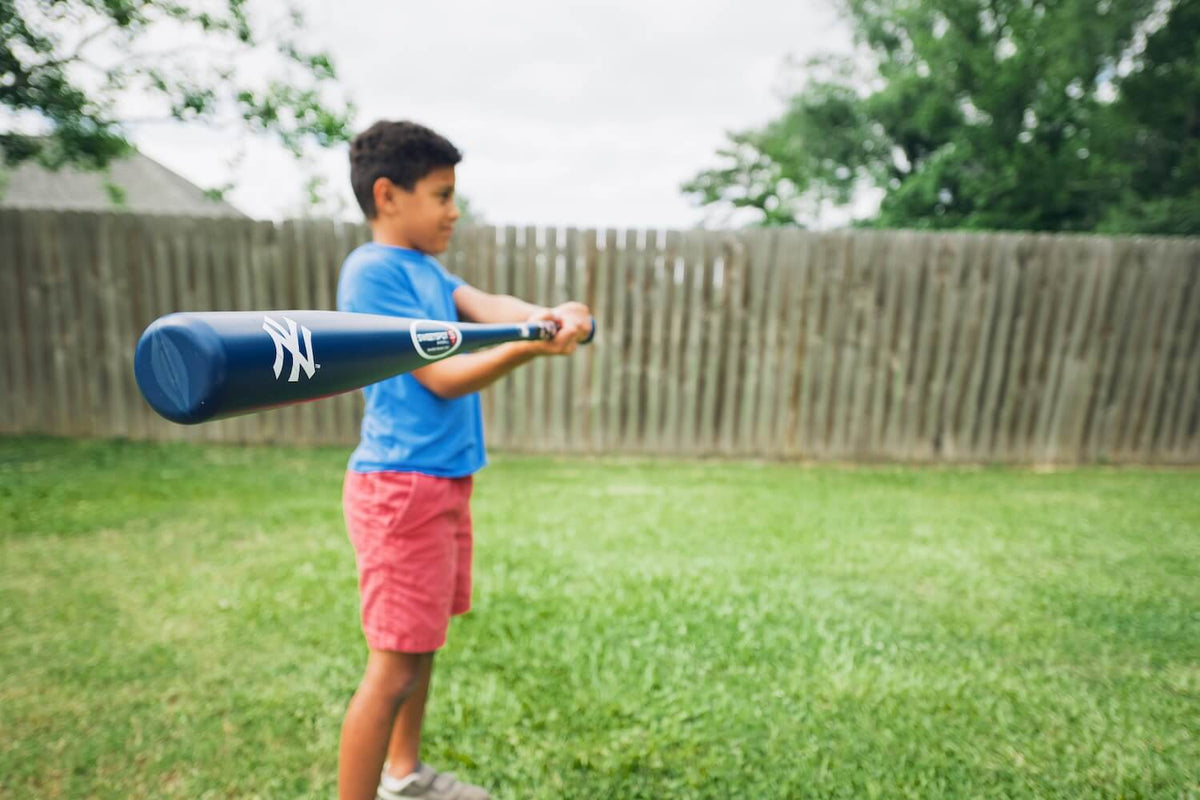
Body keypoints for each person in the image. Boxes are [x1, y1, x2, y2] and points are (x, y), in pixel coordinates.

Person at [335, 120, 591, 800]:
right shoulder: (372, 275)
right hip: (401, 489)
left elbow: (489, 306)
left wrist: (547, 314)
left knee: (422, 649)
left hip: (441, 482)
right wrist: (527, 348)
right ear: (388, 195)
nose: (454, 211)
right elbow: (442, 375)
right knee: (391, 669)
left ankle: (405, 777)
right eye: (442, 195)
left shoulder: (426, 270)